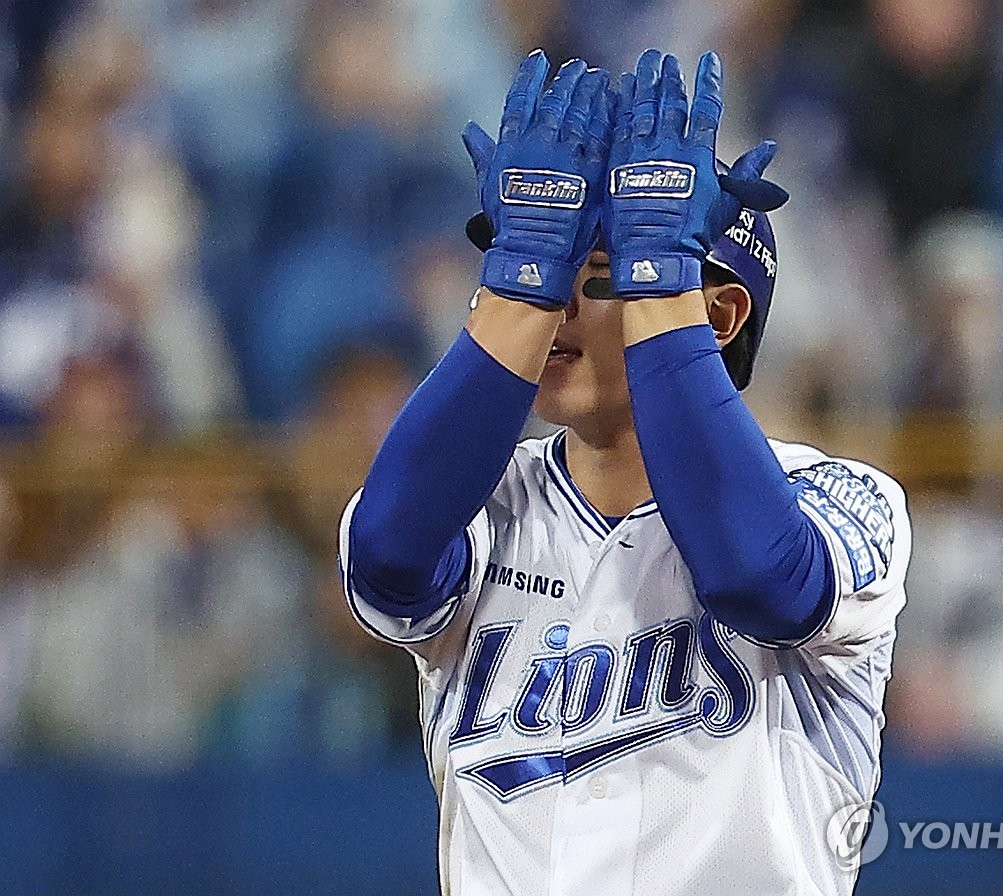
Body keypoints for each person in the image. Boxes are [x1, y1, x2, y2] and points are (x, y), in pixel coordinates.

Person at [339, 48, 911, 896]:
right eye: (540, 269)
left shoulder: (840, 498)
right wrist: (523, 269)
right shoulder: (484, 505)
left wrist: (658, 281)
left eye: (596, 275)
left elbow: (763, 578)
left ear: (716, 313)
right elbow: (385, 561)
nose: (553, 303)